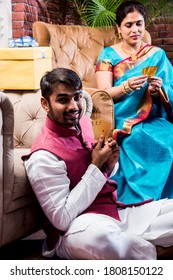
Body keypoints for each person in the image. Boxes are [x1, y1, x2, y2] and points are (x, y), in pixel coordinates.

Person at [23, 67, 173, 260]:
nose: (73, 106)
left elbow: (101, 177)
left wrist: (109, 165)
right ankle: (158, 252)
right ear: (45, 104)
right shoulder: (43, 156)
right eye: (62, 100)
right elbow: (61, 219)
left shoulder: (84, 123)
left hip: (115, 213)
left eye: (76, 97)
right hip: (80, 228)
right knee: (100, 239)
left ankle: (131, 247)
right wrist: (95, 167)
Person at [95, 0, 173, 205]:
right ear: (119, 28)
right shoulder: (108, 55)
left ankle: (163, 203)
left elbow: (170, 90)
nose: (135, 30)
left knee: (170, 137)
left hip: (151, 116)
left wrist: (159, 90)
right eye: (128, 25)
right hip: (123, 118)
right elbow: (103, 95)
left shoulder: (157, 55)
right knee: (141, 139)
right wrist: (127, 87)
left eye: (139, 23)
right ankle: (138, 201)